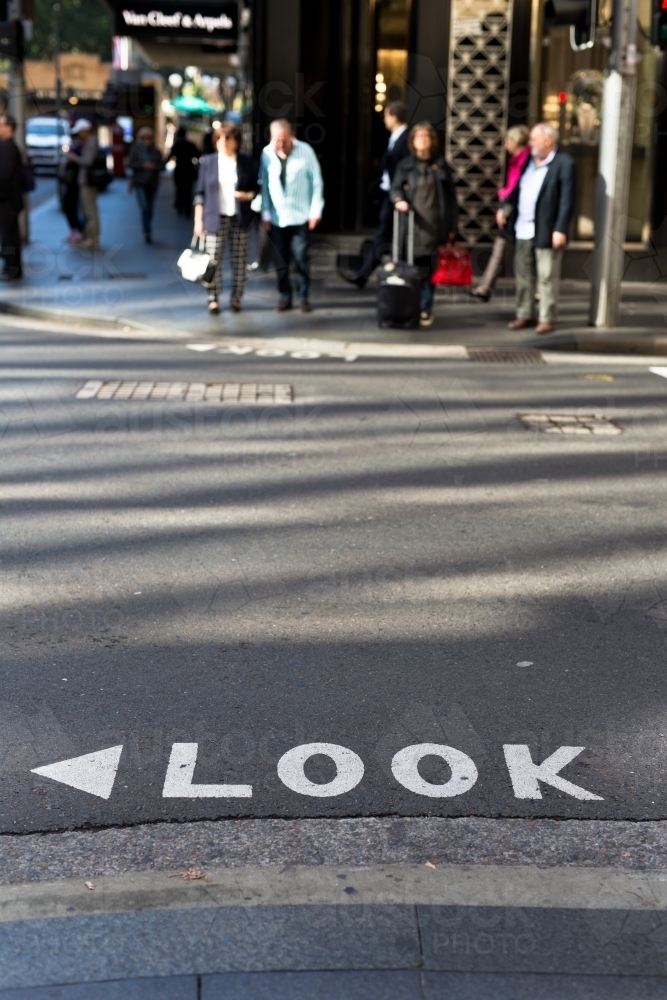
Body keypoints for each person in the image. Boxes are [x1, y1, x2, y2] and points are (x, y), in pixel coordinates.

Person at [499, 122, 576, 334]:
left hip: (547, 230)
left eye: (533, 139)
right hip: (523, 227)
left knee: (546, 277)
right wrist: (505, 208)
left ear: (547, 141)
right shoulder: (529, 162)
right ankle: (525, 314)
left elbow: (567, 200)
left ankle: (546, 318)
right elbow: (516, 189)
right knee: (523, 276)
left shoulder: (564, 163)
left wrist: (560, 229)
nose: (530, 143)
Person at [390, 121, 458, 327]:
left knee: (428, 269)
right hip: (410, 225)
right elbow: (395, 188)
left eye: (426, 136)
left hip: (433, 226)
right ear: (412, 141)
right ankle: (409, 306)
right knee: (410, 268)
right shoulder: (405, 165)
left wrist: (452, 227)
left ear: (432, 141)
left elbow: (451, 199)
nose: (422, 139)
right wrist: (398, 200)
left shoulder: (441, 165)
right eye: (418, 136)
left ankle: (425, 308)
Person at [259, 119, 324, 312]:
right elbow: (264, 185)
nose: (280, 144)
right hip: (277, 217)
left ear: (292, 136)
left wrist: (315, 210)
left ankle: (303, 296)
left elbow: (317, 182)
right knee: (280, 259)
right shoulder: (266, 153)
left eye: (284, 140)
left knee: (301, 256)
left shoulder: (306, 150)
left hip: (300, 215)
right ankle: (285, 296)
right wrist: (265, 213)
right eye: (277, 140)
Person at [193, 121, 257, 314]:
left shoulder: (246, 162)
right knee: (213, 260)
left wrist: (248, 195)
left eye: (227, 137)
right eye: (218, 137)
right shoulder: (208, 162)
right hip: (215, 217)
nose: (222, 141)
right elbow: (200, 193)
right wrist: (198, 221)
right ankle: (213, 297)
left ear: (236, 141)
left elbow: (256, 188)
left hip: (239, 217)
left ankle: (237, 297)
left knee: (239, 261)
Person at [470, 125, 530, 301]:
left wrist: (504, 209)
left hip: (520, 213)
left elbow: (518, 189)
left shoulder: (526, 160)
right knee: (501, 247)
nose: (505, 145)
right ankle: (485, 287)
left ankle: (530, 293)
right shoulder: (516, 160)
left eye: (508, 141)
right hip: (513, 210)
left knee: (520, 253)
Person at [354, 100, 409, 287]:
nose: (384, 119)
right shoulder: (394, 138)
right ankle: (364, 273)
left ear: (394, 116)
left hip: (396, 196)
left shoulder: (406, 139)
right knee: (384, 236)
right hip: (387, 193)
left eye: (386, 115)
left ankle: (364, 274)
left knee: (385, 235)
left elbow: (403, 168)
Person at [67, 119, 99, 249]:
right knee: (87, 211)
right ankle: (90, 237)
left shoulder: (91, 142)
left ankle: (93, 238)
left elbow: (87, 161)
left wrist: (75, 158)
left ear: (85, 131)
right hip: (85, 180)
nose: (79, 135)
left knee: (90, 211)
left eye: (80, 132)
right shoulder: (87, 142)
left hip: (88, 181)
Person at [128, 127, 164, 243]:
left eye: (149, 138)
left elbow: (162, 165)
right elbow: (130, 164)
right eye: (145, 138)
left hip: (153, 183)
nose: (147, 140)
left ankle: (147, 227)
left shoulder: (156, 151)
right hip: (140, 182)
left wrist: (154, 166)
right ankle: (147, 231)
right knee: (145, 207)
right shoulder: (135, 149)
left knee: (150, 208)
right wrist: (142, 165)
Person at [0, 114, 24, 279]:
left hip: (7, 200)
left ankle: (11, 269)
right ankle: (12, 268)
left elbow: (4, 175)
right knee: (10, 236)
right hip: (10, 199)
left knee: (9, 236)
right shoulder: (7, 146)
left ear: (9, 128)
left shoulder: (7, 148)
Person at [169, 126, 199, 217]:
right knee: (188, 191)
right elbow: (197, 155)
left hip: (180, 171)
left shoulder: (176, 146)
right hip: (188, 171)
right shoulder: (190, 145)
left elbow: (170, 157)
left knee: (180, 190)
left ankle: (180, 207)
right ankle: (187, 208)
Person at [60, 129, 83, 243]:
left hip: (74, 181)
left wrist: (72, 159)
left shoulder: (79, 146)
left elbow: (80, 160)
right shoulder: (76, 145)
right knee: (68, 206)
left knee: (71, 206)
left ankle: (77, 230)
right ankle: (74, 229)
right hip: (71, 181)